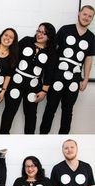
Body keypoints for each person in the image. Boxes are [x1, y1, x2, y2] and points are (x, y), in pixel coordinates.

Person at [40, 5, 95, 134]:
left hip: (74, 80)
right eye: (85, 14)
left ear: (92, 19)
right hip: (57, 77)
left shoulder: (92, 38)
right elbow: (53, 51)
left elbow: (88, 59)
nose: (86, 17)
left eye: (90, 16)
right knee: (50, 108)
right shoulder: (65, 30)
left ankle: (63, 139)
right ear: (79, 14)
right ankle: (43, 136)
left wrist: (86, 78)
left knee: (68, 111)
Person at [0, 22, 57, 134]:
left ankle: (29, 140)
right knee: (9, 112)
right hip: (15, 84)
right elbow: (13, 59)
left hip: (34, 87)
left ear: (49, 36)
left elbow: (49, 73)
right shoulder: (26, 41)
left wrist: (44, 91)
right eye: (39, 31)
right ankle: (3, 137)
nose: (40, 34)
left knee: (31, 116)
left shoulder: (51, 52)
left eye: (44, 33)